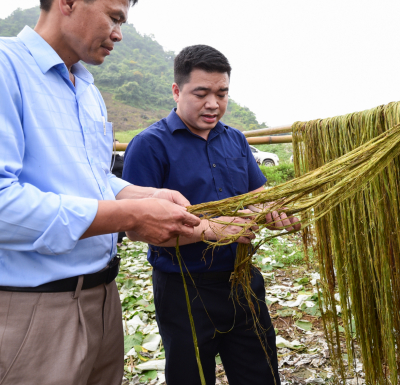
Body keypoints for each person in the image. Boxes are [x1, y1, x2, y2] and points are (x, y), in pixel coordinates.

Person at [0, 0, 201, 385]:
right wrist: (131, 214)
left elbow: (92, 181)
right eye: (114, 17)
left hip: (101, 302)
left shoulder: (86, 91)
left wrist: (143, 196)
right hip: (27, 315)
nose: (118, 34)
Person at [123, 45, 300, 385]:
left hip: (242, 280)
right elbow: (135, 228)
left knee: (260, 374)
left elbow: (258, 196)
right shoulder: (149, 145)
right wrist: (210, 229)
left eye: (222, 93)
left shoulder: (234, 139)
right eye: (201, 93)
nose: (213, 104)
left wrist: (275, 210)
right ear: (176, 91)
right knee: (192, 377)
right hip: (184, 287)